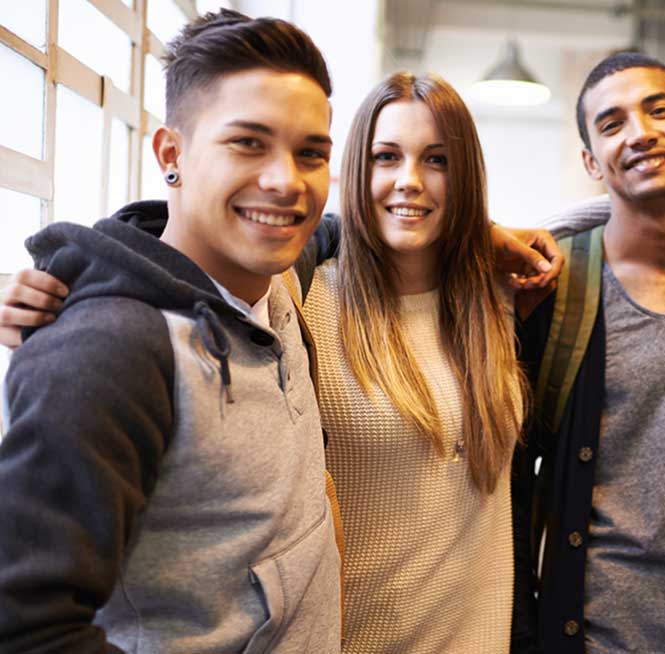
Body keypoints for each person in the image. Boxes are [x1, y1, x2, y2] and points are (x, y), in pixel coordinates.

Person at [0, 10, 342, 652]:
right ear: (171, 154)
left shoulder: (277, 277)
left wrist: (485, 238)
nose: (286, 182)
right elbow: (26, 626)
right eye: (248, 143)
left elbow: (340, 231)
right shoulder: (112, 349)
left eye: (311, 153)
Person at [511, 52, 665, 654]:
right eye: (613, 122)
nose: (641, 133)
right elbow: (507, 485)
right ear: (591, 161)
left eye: (658, 110)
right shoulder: (554, 289)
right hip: (598, 634)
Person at [296, 71, 526, 653]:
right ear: (356, 171)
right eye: (386, 157)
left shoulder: (498, 300)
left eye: (437, 160)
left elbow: (631, 212)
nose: (409, 182)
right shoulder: (306, 302)